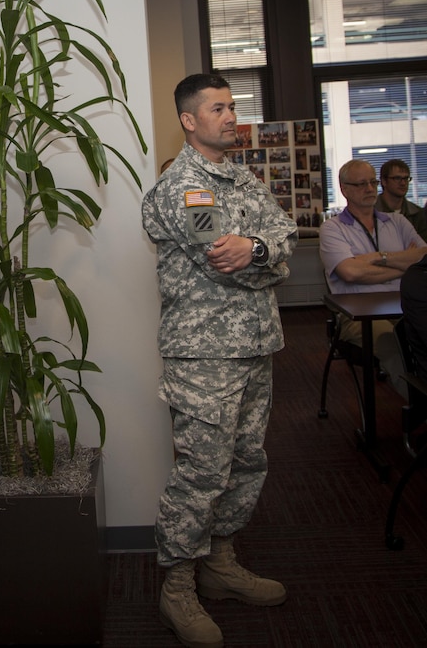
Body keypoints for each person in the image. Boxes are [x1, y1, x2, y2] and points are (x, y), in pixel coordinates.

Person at [141, 73, 296, 648]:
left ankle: (221, 563)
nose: (231, 116)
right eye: (218, 108)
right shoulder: (186, 187)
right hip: (205, 355)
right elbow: (219, 258)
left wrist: (258, 248)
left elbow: (284, 237)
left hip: (256, 345)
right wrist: (262, 255)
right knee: (202, 472)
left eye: (232, 106)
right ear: (189, 120)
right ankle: (177, 588)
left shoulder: (243, 178)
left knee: (247, 462)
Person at [320, 159, 427, 387]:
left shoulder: (398, 221)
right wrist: (403, 268)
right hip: (357, 316)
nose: (370, 189)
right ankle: (418, 408)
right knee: (397, 347)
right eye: (361, 184)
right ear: (344, 189)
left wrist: (380, 258)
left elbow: (423, 257)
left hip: (405, 306)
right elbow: (349, 272)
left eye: (372, 182)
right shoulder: (332, 229)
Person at [376, 158, 427, 243]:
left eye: (406, 178)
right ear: (384, 181)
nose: (403, 183)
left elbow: (421, 249)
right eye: (397, 178)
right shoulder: (370, 212)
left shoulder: (417, 213)